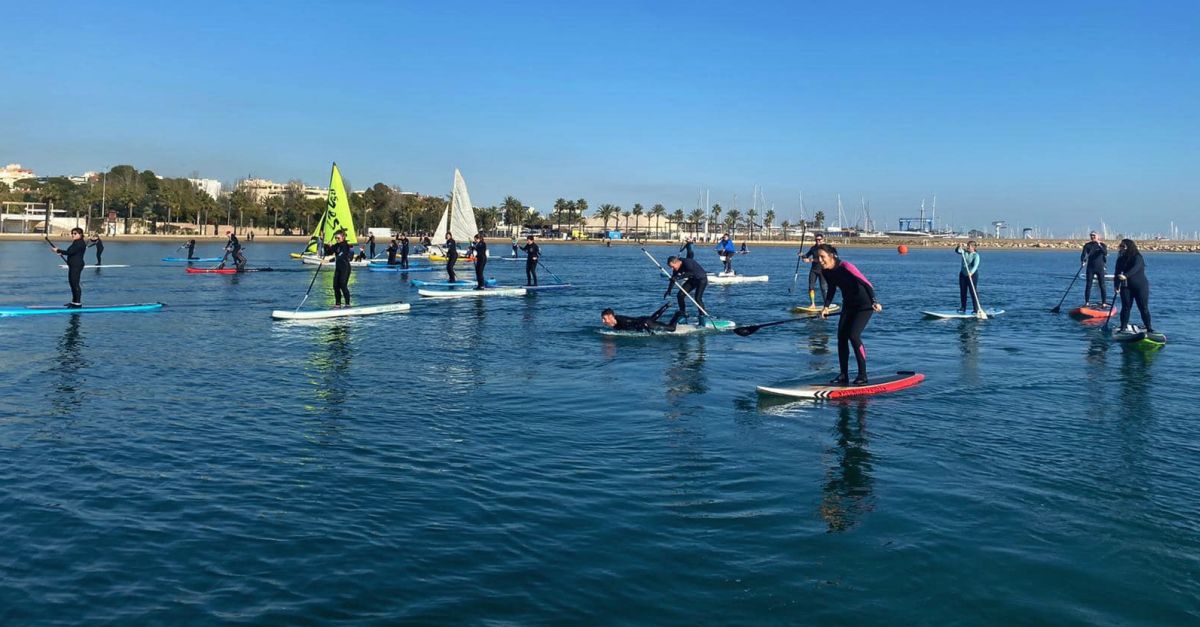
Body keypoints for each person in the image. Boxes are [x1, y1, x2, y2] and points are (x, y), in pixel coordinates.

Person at [816, 244, 883, 386]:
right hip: (848, 305)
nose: (820, 260)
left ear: (831, 256)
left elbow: (867, 283)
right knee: (841, 337)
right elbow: (832, 289)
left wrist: (874, 302)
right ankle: (843, 375)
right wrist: (825, 308)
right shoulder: (826, 272)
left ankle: (863, 375)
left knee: (854, 336)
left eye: (822, 257)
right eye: (818, 257)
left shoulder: (846, 266)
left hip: (864, 305)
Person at [1114, 239, 1153, 333]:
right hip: (1126, 286)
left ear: (1129, 247)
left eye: (1123, 246)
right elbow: (1117, 273)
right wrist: (1116, 285)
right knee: (1126, 307)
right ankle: (1123, 328)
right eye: (1120, 246)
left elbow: (1135, 268)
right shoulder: (1120, 259)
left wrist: (1126, 275)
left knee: (1143, 307)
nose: (1121, 248)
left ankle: (1149, 328)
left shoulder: (1138, 257)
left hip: (1140, 286)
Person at [665, 255, 708, 326]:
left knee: (697, 298)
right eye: (671, 267)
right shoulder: (676, 268)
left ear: (676, 262)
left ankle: (702, 317)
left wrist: (679, 277)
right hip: (692, 280)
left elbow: (690, 273)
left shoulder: (687, 262)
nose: (672, 268)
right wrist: (669, 289)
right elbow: (673, 278)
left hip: (701, 280)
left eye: (672, 266)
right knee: (680, 295)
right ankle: (683, 315)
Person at [52, 227, 87, 307]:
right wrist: (61, 253)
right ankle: (74, 302)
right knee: (72, 283)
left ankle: (78, 303)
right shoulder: (76, 242)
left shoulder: (80, 243)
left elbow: (70, 252)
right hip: (73, 265)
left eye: (75, 233)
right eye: (72, 233)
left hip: (77, 265)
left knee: (75, 283)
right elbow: (72, 253)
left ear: (80, 234)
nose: (73, 235)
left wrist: (58, 250)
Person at [601, 303, 684, 333]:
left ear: (611, 316)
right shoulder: (615, 325)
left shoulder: (622, 320)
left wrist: (649, 332)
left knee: (672, 329)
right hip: (644, 320)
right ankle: (666, 306)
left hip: (645, 323)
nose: (603, 321)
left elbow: (639, 323)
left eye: (604, 318)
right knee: (653, 318)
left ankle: (677, 314)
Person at [1081, 231, 1109, 306]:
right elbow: (1083, 254)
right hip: (1090, 268)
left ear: (1097, 236)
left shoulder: (1102, 245)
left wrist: (1099, 245)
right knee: (1088, 285)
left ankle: (1104, 302)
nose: (1092, 237)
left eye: (1094, 235)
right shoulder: (1087, 245)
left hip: (1100, 268)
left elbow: (1105, 253)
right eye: (1091, 235)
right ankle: (1087, 302)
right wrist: (1083, 261)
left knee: (1102, 285)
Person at [799, 233, 827, 306]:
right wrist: (802, 255)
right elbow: (807, 256)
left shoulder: (825, 248)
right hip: (814, 270)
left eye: (819, 239)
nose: (818, 241)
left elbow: (822, 259)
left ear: (822, 240)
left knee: (823, 288)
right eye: (816, 240)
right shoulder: (813, 248)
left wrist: (810, 260)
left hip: (823, 271)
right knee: (811, 287)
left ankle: (826, 304)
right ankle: (812, 304)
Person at [955, 240, 981, 314]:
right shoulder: (964, 252)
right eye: (968, 245)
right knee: (963, 291)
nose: (968, 247)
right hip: (963, 274)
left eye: (969, 246)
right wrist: (958, 246)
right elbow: (958, 251)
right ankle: (963, 308)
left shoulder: (976, 255)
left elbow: (976, 266)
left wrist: (971, 272)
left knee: (973, 292)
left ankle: (976, 309)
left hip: (972, 275)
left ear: (973, 247)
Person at [330, 230, 353, 307]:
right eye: (335, 238)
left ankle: (347, 304)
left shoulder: (346, 245)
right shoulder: (336, 245)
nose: (337, 239)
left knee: (343, 285)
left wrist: (330, 260)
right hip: (338, 268)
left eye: (338, 238)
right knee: (335, 286)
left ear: (343, 237)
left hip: (345, 268)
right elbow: (329, 252)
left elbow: (341, 255)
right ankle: (338, 304)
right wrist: (328, 247)